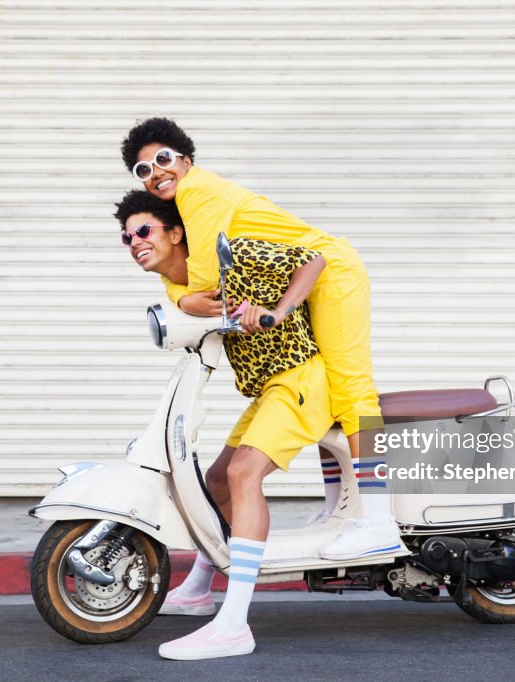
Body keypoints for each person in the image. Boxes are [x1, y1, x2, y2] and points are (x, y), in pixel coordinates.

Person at [120, 118, 399, 559]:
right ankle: (340, 512)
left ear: (186, 160)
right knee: (328, 404)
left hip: (332, 272)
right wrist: (181, 294)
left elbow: (206, 279)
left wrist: (184, 296)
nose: (155, 172)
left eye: (163, 159)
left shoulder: (198, 192)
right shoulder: (191, 216)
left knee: (352, 392)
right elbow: (189, 279)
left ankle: (379, 523)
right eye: (143, 170)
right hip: (305, 279)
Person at [114, 190, 337, 660]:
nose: (133, 241)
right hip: (270, 389)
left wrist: (278, 311)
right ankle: (197, 589)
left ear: (176, 233)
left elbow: (313, 260)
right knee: (216, 481)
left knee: (242, 475)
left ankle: (234, 625)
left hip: (302, 379)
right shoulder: (180, 289)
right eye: (126, 236)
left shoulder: (234, 253)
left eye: (143, 230)